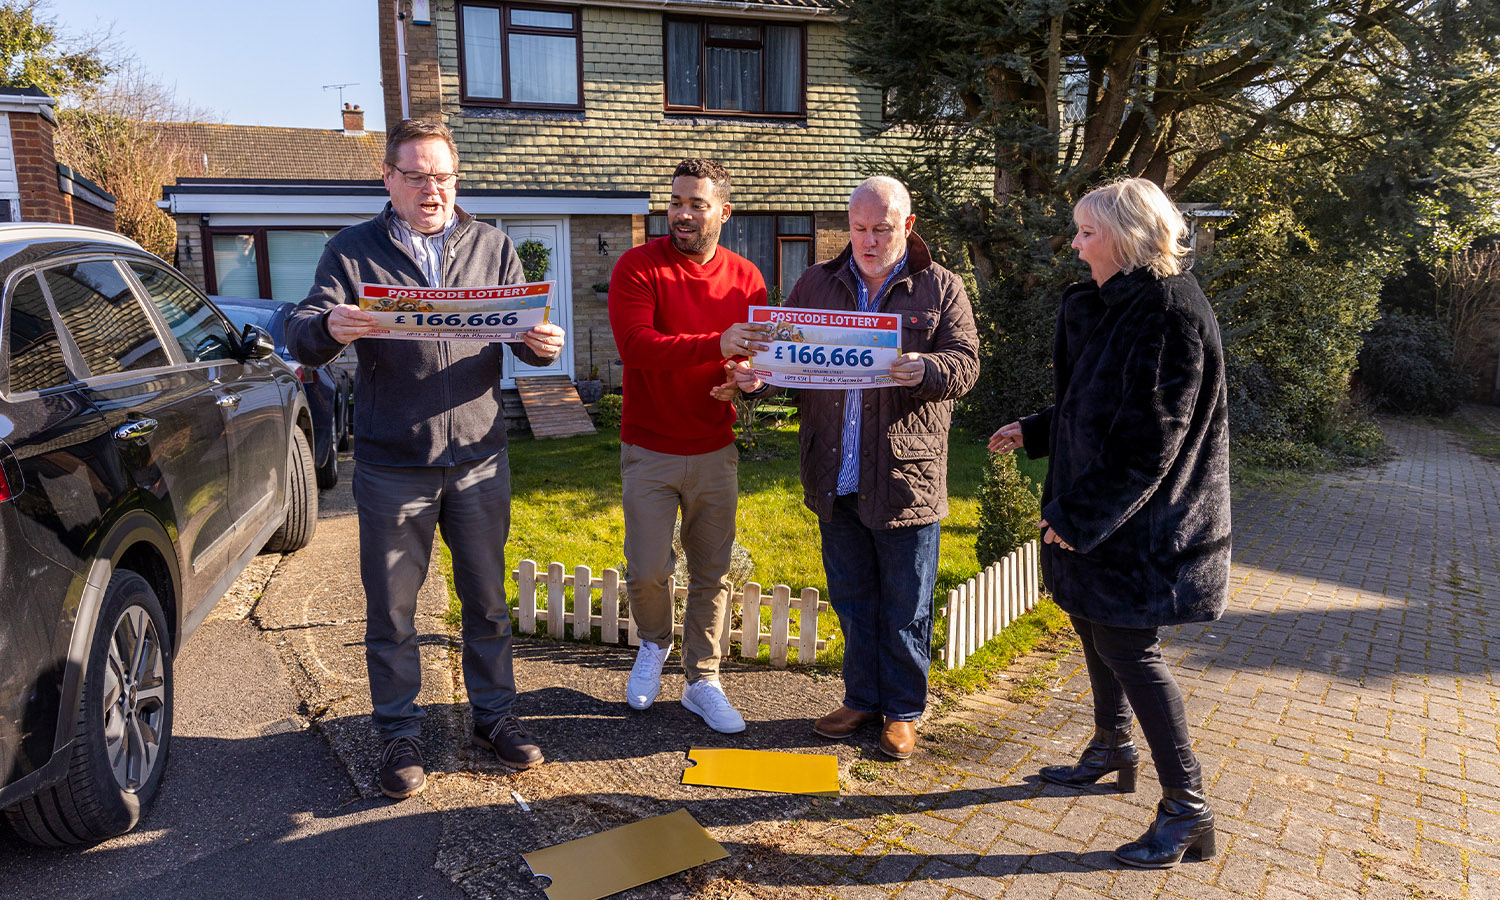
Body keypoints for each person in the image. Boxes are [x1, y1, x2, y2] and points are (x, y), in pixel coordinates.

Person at [286, 119, 566, 799]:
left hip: (478, 457)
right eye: (415, 175)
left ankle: (493, 719)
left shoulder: (493, 246)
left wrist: (542, 346)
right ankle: (400, 734)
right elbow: (300, 331)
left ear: (455, 179)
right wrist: (328, 327)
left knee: (487, 602)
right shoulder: (351, 252)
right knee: (392, 612)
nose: (431, 188)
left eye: (441, 175)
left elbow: (520, 336)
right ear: (389, 180)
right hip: (392, 464)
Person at [988, 177, 1230, 869]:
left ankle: (1188, 811)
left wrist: (1081, 516)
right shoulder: (1124, 304)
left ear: (1125, 236)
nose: (1074, 243)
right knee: (1095, 628)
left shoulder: (1165, 311)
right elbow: (1100, 406)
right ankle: (1110, 748)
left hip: (1142, 531)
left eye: (1085, 232)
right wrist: (1037, 430)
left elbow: (1149, 439)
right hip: (1111, 522)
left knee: (1132, 651)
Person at [729, 176, 979, 759]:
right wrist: (757, 379)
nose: (868, 241)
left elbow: (966, 365)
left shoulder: (940, 287)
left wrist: (930, 369)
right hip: (833, 472)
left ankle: (903, 710)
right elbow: (781, 356)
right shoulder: (816, 282)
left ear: (907, 227)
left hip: (904, 477)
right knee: (852, 598)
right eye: (859, 229)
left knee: (906, 604)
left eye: (881, 230)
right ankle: (862, 697)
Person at [607, 158, 771, 734]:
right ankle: (653, 644)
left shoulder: (747, 277)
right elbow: (637, 346)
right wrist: (717, 342)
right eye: (675, 201)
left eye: (696, 204)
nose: (681, 213)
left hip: (713, 447)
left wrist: (747, 380)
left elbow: (752, 360)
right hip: (649, 445)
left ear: (723, 212)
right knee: (649, 569)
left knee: (712, 570)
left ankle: (703, 679)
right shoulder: (637, 266)